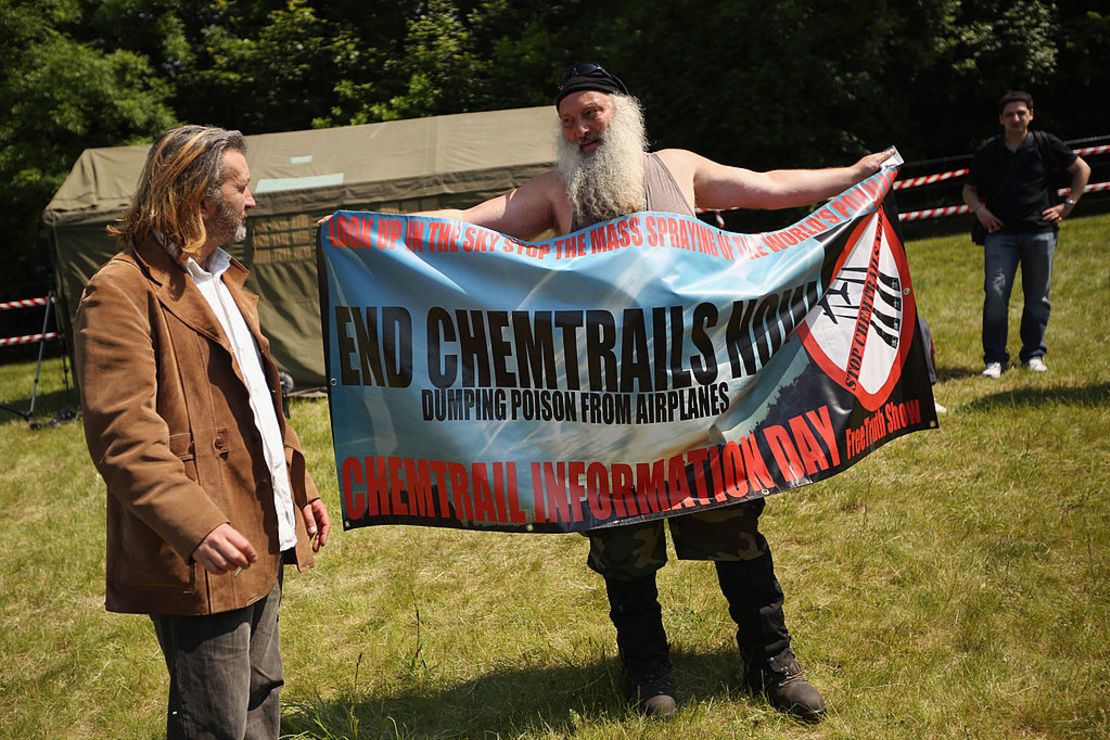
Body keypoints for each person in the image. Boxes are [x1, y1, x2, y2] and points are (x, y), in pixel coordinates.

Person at [421, 62, 892, 721]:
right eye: (569, 121)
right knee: (624, 550)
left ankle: (773, 664)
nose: (581, 128)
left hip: (701, 403)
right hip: (610, 415)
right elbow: (470, 224)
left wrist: (849, 178)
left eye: (592, 113)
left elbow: (768, 188)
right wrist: (377, 226)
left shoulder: (676, 168)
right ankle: (648, 676)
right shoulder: (557, 192)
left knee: (737, 532)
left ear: (623, 111)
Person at [75, 124, 331, 738]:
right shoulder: (119, 290)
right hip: (203, 544)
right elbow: (123, 435)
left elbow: (264, 404)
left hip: (259, 520)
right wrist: (196, 524)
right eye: (239, 187)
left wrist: (302, 488)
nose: (251, 200)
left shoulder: (224, 281)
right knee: (214, 718)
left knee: (260, 694)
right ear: (195, 195)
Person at [962, 90, 1090, 378]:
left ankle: (1033, 354)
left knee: (1037, 296)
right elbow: (968, 190)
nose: (1016, 118)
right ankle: (995, 360)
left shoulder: (1046, 144)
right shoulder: (988, 152)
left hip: (1040, 232)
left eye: (1021, 113)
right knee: (995, 294)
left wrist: (1068, 205)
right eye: (1010, 114)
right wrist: (979, 211)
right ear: (1001, 119)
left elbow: (1082, 168)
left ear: (1031, 114)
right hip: (999, 234)